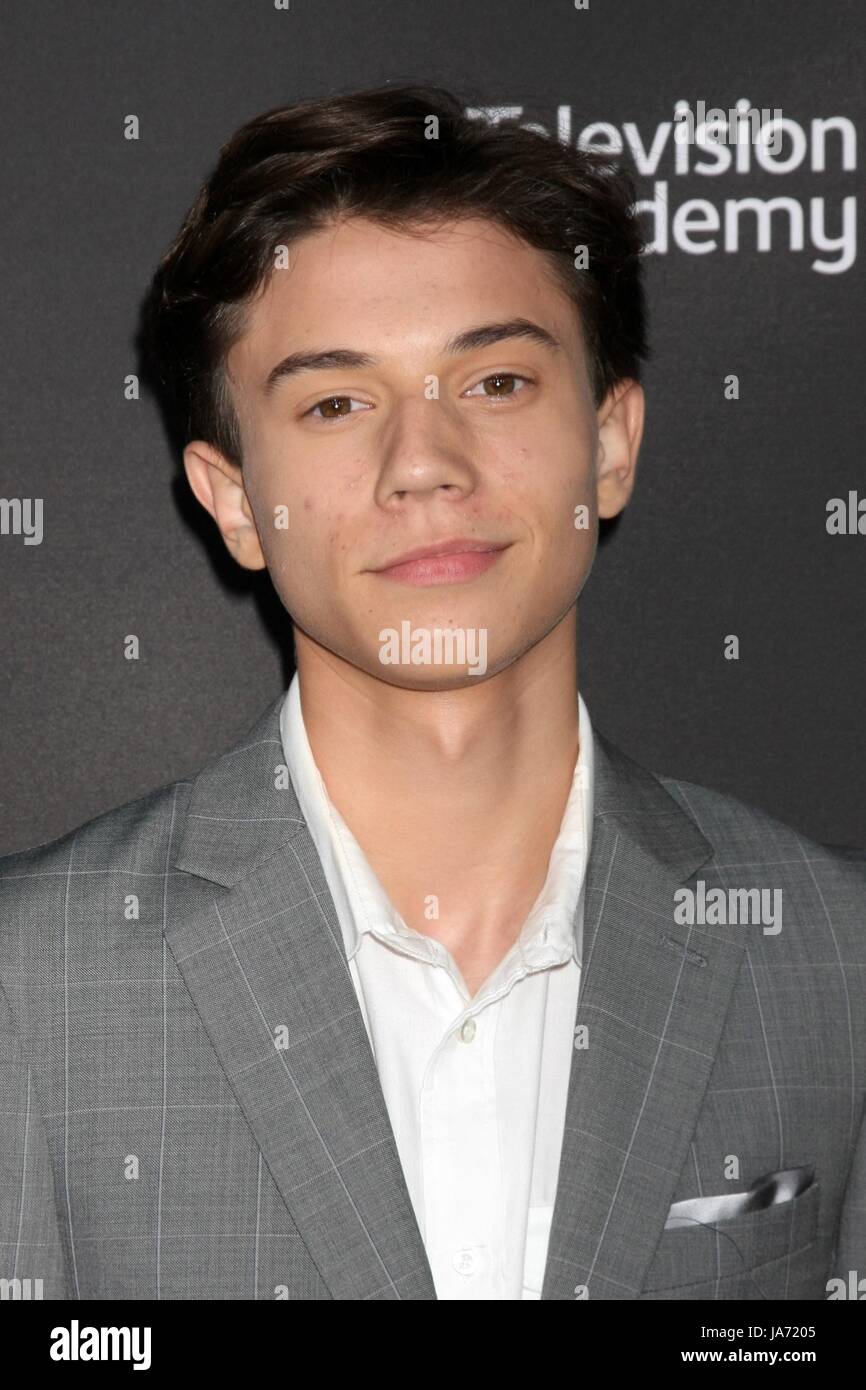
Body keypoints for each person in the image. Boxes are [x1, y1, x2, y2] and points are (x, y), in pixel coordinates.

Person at [1, 84, 863, 1302]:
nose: (423, 465)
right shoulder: (33, 985)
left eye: (495, 382)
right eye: (336, 403)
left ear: (608, 442)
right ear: (234, 496)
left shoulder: (832, 955)